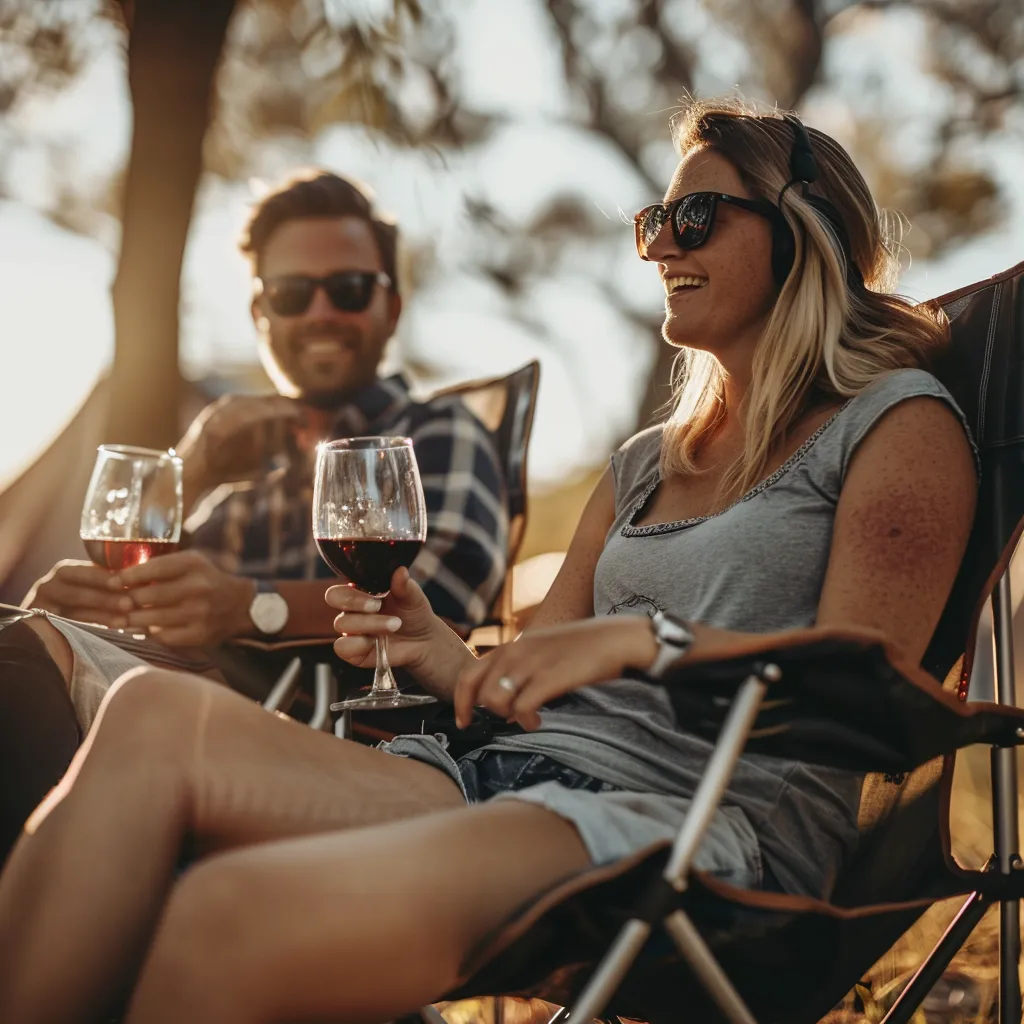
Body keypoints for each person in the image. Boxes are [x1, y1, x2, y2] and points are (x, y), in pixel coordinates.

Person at [0, 97, 979, 1023]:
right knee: (149, 712)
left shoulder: (894, 424)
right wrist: (445, 654)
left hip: (689, 825)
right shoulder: (646, 463)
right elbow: (524, 678)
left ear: (803, 227)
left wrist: (649, 640)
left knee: (222, 913)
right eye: (653, 220)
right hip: (493, 771)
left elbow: (861, 690)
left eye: (695, 215)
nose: (661, 246)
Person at [23, 170, 508, 652]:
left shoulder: (440, 433)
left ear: (393, 310)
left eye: (350, 289)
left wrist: (252, 607)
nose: (320, 313)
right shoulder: (244, 481)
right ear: (260, 314)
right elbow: (141, 599)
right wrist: (191, 467)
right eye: (291, 294)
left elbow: (442, 602)